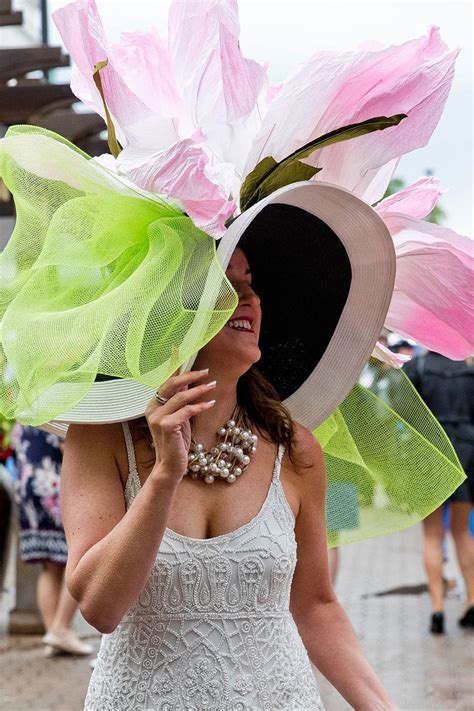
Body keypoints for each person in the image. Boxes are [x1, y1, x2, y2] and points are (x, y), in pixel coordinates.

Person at [63, 246, 397, 710]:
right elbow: (100, 609)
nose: (251, 298)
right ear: (167, 311)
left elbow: (316, 605)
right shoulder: (100, 438)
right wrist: (163, 476)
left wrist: (381, 706)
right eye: (226, 284)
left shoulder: (296, 448)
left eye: (250, 281)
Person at [404, 352, 474, 634]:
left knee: (432, 535)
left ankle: (437, 609)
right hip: (468, 451)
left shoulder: (417, 367)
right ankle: (471, 600)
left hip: (429, 453)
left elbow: (405, 415)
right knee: (463, 532)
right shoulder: (470, 368)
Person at [13, 425, 93, 656]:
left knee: (48, 567)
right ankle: (62, 628)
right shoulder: (56, 408)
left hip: (28, 490)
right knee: (78, 557)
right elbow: (70, 448)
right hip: (55, 488)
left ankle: (54, 635)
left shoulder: (24, 411)